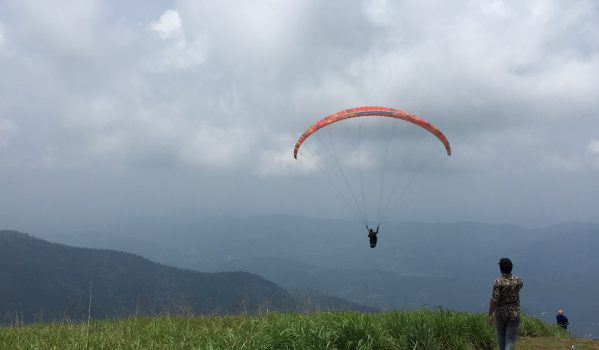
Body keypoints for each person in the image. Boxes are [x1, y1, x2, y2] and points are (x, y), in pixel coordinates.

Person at [488, 257, 524, 350]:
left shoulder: (498, 282)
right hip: (514, 313)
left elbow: (494, 300)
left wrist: (490, 314)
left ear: (500, 269)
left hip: (500, 313)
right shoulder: (518, 280)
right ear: (511, 267)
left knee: (501, 336)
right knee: (510, 339)